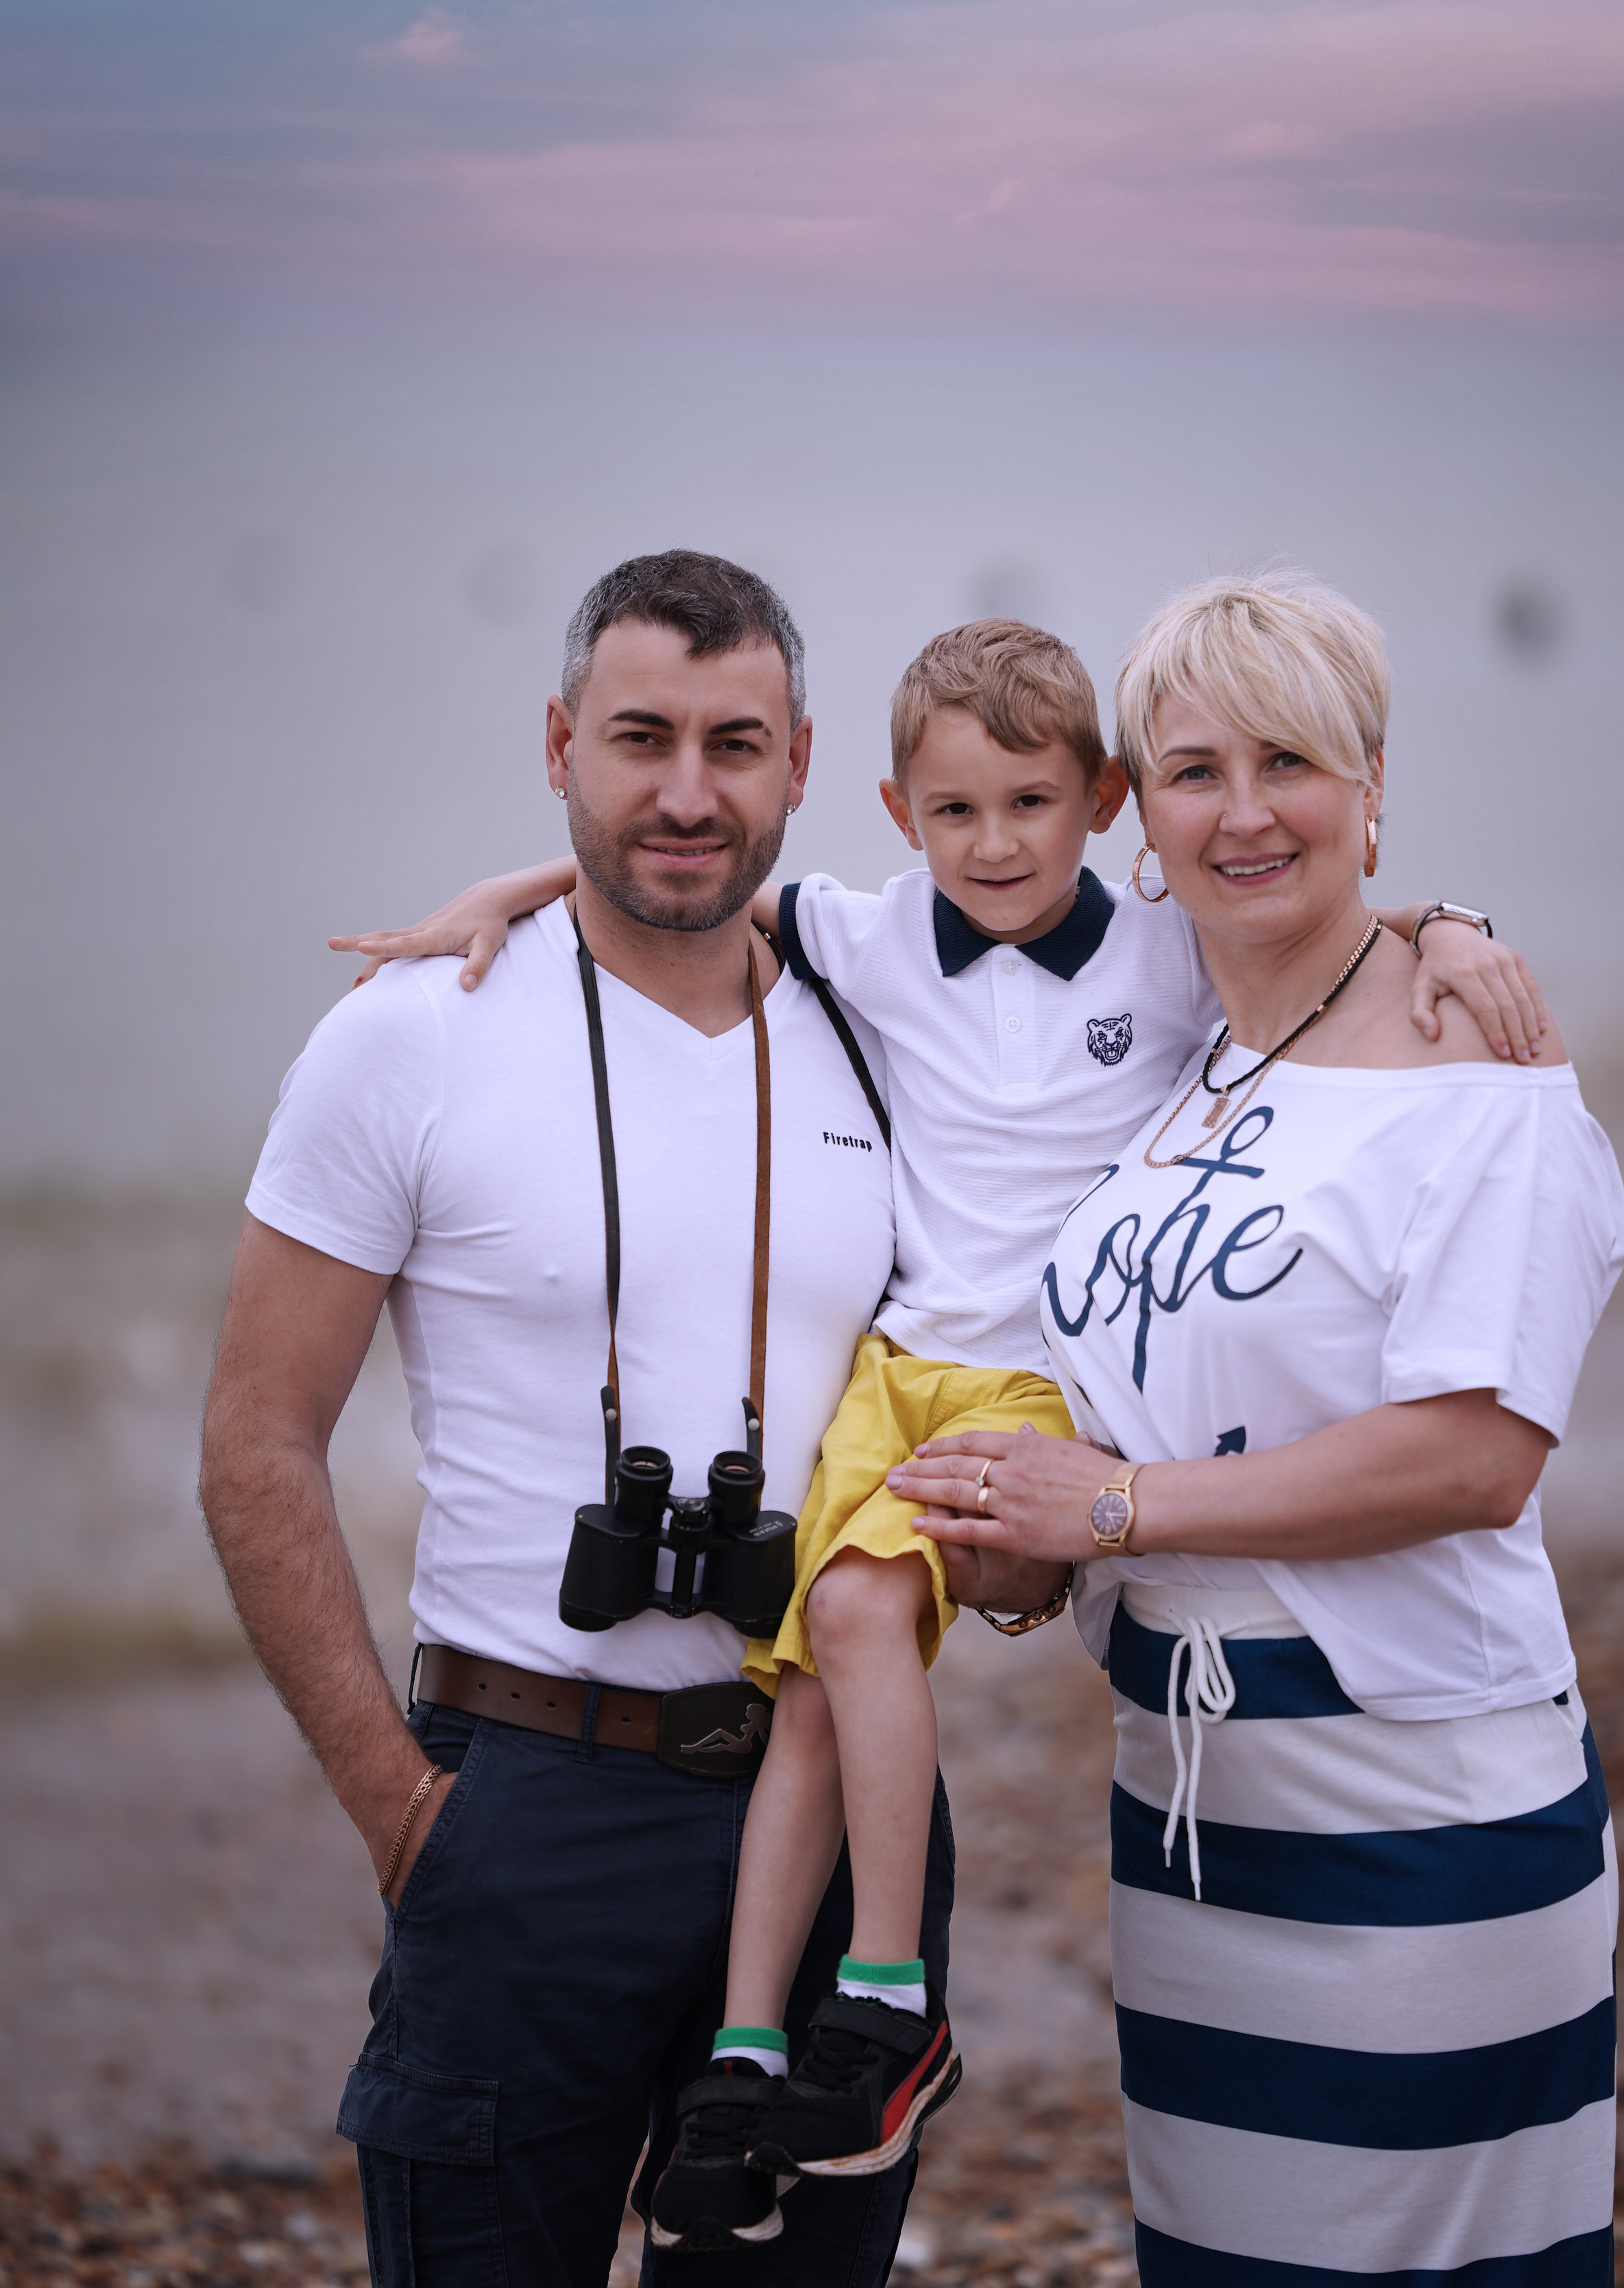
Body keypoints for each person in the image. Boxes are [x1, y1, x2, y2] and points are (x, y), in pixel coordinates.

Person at [341, 615, 1549, 2251]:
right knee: (811, 1672)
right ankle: (757, 2037)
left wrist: (1445, 922)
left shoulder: (1159, 948)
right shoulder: (860, 931)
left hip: (1045, 1386)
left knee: (841, 1627)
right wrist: (503, 896)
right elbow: (675, 876)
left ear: (1105, 801)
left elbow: (1302, 919)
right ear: (900, 814)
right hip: (896, 1369)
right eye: (958, 812)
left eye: (1034, 806)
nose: (996, 844)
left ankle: (888, 1989)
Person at [198, 549, 955, 2288]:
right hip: (522, 1794)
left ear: (804, 762)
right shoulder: (406, 1039)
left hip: (825, 1791)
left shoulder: (886, 1024)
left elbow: (1148, 968)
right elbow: (255, 1443)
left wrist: (1437, 940)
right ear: (558, 744)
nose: (686, 792)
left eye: (734, 744)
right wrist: (398, 1810)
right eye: (639, 738)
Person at [893, 571, 1624, 2288]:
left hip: (1417, 1815)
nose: (1241, 814)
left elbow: (1474, 1456)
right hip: (1191, 1819)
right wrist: (1023, 1552)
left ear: (1370, 785)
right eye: (1191, 770)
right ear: (1131, 812)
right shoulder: (1191, 1061)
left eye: (1288, 762)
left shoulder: (1479, 1080)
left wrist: (1125, 1505)